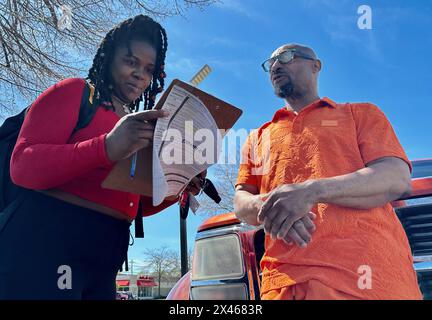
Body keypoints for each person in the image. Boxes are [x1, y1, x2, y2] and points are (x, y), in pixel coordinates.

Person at [0, 15, 203, 300]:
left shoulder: (136, 124)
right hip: (47, 240)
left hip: (109, 252)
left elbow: (131, 202)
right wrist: (106, 147)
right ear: (108, 58)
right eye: (130, 62)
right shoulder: (75, 92)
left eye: (149, 69)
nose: (140, 75)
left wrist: (179, 185)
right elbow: (22, 165)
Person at [234, 43, 422, 300]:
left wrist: (311, 191)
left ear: (316, 66)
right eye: (270, 63)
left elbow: (395, 178)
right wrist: (275, 205)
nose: (275, 66)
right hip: (281, 284)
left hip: (368, 282)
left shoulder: (360, 114)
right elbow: (241, 200)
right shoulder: (257, 137)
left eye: (285, 57)